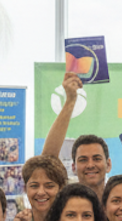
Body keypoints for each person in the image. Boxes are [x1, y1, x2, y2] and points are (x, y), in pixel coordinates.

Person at [42, 72, 113, 200]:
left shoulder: (119, 202)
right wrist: (70, 100)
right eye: (83, 160)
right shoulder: (67, 199)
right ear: (73, 167)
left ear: (108, 165)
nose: (90, 165)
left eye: (96, 158)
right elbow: (47, 160)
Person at [13, 154, 67, 221]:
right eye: (34, 186)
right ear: (25, 189)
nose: (41, 192)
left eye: (49, 186)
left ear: (61, 188)